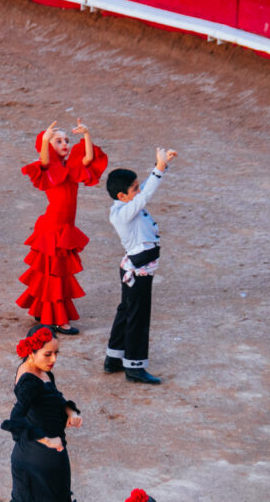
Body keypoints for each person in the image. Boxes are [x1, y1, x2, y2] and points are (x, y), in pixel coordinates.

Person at [16, 121, 107, 333]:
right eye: (59, 141)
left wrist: (87, 134)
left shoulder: (72, 166)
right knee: (55, 273)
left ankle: (44, 312)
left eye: (67, 140)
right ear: (48, 145)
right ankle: (55, 319)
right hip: (54, 229)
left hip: (64, 227)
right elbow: (45, 161)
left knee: (53, 273)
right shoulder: (48, 167)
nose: (65, 143)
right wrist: (47, 140)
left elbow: (89, 158)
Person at [104, 147, 179, 385]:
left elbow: (144, 191)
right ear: (122, 196)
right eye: (134, 188)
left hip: (135, 269)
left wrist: (161, 166)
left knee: (127, 311)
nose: (139, 190)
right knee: (137, 317)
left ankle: (113, 358)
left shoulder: (125, 205)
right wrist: (158, 168)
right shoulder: (125, 212)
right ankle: (134, 367)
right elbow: (145, 195)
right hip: (138, 272)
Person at [0, 325, 83, 502]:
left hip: (48, 459)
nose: (53, 359)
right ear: (31, 353)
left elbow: (56, 397)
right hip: (35, 460)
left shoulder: (43, 372)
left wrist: (71, 411)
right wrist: (47, 440)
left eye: (56, 353)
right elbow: (15, 421)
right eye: (47, 354)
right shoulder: (29, 383)